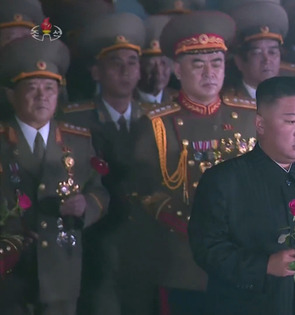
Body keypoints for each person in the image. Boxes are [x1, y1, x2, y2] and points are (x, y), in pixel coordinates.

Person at [188, 76, 295, 315]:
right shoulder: (223, 180)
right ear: (260, 124)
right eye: (290, 121)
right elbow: (207, 248)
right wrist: (264, 266)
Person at [132, 11, 257, 315]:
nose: (209, 73)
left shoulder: (251, 117)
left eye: (216, 63)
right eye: (197, 65)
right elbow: (145, 192)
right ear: (177, 69)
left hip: (247, 259)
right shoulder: (156, 125)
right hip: (186, 262)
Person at [0, 37, 109, 315]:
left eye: (50, 88)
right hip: (9, 274)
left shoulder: (79, 140)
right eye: (32, 88)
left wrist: (87, 206)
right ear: (11, 94)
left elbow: (99, 191)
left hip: (62, 271)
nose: (42, 96)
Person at [60, 12, 157, 315]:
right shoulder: (75, 119)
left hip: (148, 242)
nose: (126, 71)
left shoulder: (157, 117)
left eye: (132, 62)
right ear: (96, 72)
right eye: (115, 63)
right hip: (96, 243)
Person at [223, 0, 288, 100]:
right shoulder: (229, 100)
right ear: (239, 61)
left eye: (272, 52)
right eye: (257, 53)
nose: (267, 60)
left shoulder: (292, 97)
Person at [135, 15, 177, 104]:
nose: (158, 71)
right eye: (150, 65)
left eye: (163, 63)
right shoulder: (125, 103)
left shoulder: (178, 101)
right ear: (138, 67)